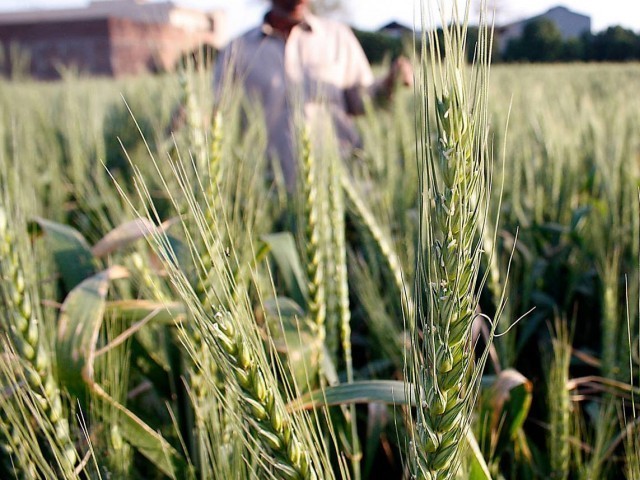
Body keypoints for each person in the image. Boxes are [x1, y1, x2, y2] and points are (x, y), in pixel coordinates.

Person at [213, 0, 413, 190]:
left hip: (343, 181)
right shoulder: (238, 49)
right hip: (269, 189)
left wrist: (389, 84)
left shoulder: (338, 37)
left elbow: (362, 101)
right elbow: (218, 112)